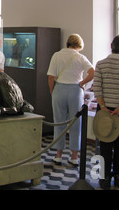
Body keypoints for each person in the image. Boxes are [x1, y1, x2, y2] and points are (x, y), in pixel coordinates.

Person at [93, 35, 119, 189]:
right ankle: (118, 177)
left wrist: (104, 107)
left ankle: (104, 178)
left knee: (105, 144)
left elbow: (97, 87)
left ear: (111, 45)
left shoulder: (101, 65)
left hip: (104, 110)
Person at [47, 34, 94, 166]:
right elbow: (92, 72)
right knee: (75, 123)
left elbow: (51, 77)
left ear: (68, 43)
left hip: (59, 90)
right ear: (79, 45)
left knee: (59, 122)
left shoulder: (56, 55)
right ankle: (74, 156)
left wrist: (52, 92)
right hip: (75, 91)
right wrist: (82, 83)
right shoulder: (80, 57)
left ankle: (58, 155)